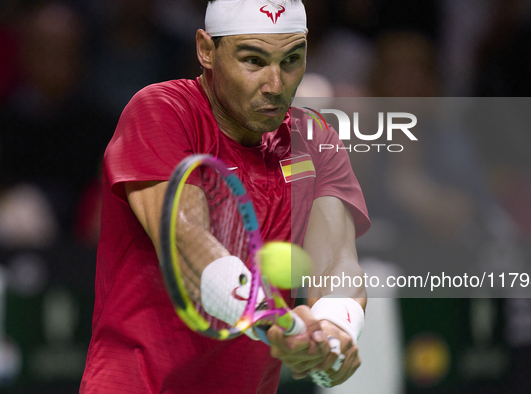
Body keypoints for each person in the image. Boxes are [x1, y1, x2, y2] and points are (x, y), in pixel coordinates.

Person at [80, 1, 370, 393]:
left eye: (291, 60)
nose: (275, 84)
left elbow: (337, 262)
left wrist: (333, 331)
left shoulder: (315, 139)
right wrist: (267, 317)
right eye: (253, 60)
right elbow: (187, 240)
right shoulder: (162, 110)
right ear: (206, 50)